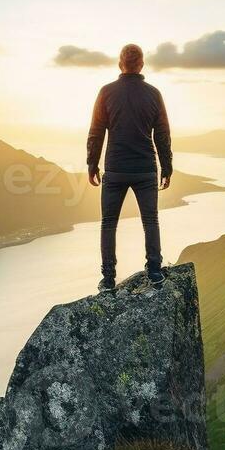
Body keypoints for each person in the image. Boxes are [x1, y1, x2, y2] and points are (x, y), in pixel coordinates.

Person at [87, 43, 172, 290]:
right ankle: (155, 272)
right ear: (142, 64)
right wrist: (166, 167)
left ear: (119, 64)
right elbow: (162, 134)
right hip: (145, 168)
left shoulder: (106, 92)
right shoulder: (154, 94)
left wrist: (92, 163)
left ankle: (108, 279)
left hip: (115, 169)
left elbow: (96, 132)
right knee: (150, 220)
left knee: (108, 223)